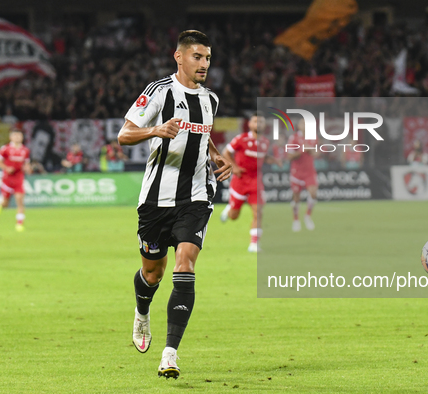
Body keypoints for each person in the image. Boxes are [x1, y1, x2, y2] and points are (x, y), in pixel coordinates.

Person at [117, 30, 232, 380]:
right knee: (153, 273)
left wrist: (215, 155)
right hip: (155, 199)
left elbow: (203, 133)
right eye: (197, 57)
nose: (204, 64)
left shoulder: (210, 99)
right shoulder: (159, 92)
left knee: (186, 261)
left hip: (196, 197)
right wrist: (155, 131)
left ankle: (170, 353)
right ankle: (142, 311)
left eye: (208, 58)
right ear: (179, 57)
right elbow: (124, 135)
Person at [219, 112, 280, 252]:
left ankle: (254, 244)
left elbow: (262, 158)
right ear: (250, 124)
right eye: (256, 121)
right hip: (240, 181)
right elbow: (225, 152)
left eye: (261, 122)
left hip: (256, 182)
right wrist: (234, 167)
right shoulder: (241, 139)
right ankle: (229, 209)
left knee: (258, 212)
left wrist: (274, 160)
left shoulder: (265, 142)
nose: (258, 124)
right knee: (234, 216)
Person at [0, 129, 31, 232]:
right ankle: (1, 206)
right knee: (6, 203)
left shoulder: (25, 150)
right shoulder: (5, 149)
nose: (18, 137)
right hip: (7, 179)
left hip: (19, 178)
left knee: (20, 202)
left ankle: (19, 224)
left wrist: (27, 168)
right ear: (11, 137)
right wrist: (6, 168)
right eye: (15, 135)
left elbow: (26, 163)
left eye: (19, 135)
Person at [288, 119, 319, 232]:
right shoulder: (294, 138)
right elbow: (289, 156)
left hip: (310, 171)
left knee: (313, 193)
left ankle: (307, 216)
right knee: (296, 197)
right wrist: (302, 150)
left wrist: (311, 150)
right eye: (303, 124)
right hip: (297, 172)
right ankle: (296, 220)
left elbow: (317, 153)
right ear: (299, 126)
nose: (305, 126)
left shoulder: (313, 137)